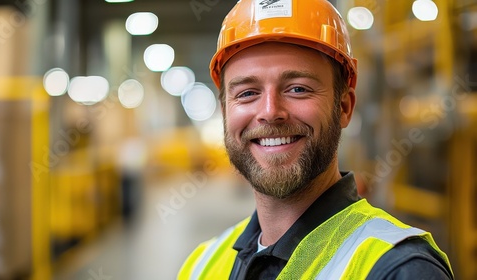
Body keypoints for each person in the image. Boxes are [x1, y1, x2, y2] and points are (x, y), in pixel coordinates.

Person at [178, 0, 454, 279]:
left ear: (344, 107)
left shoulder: (400, 270)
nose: (270, 112)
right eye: (247, 93)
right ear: (226, 112)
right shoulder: (202, 264)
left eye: (298, 88)